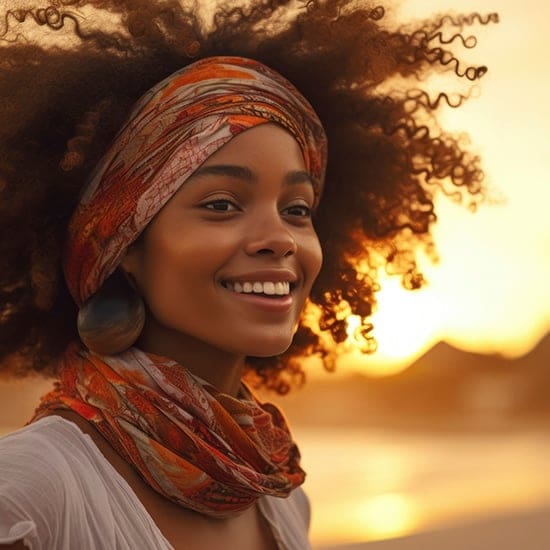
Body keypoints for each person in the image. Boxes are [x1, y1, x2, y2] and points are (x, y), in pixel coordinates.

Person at [0, 1, 497, 549]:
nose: (281, 238)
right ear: (119, 246)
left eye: (297, 209)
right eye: (221, 204)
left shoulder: (282, 498)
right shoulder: (28, 494)